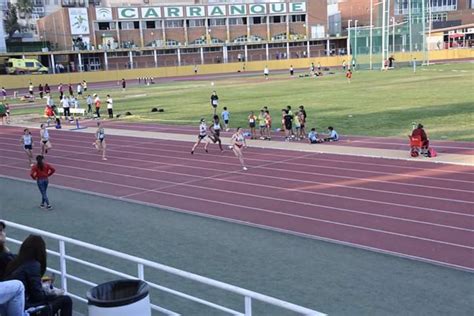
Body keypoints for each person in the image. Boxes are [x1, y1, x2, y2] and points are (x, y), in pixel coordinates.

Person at [4, 235, 72, 315]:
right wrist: (54, 294)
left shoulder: (16, 262)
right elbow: (38, 297)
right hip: (25, 308)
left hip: (10, 306)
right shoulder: (33, 265)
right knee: (66, 300)